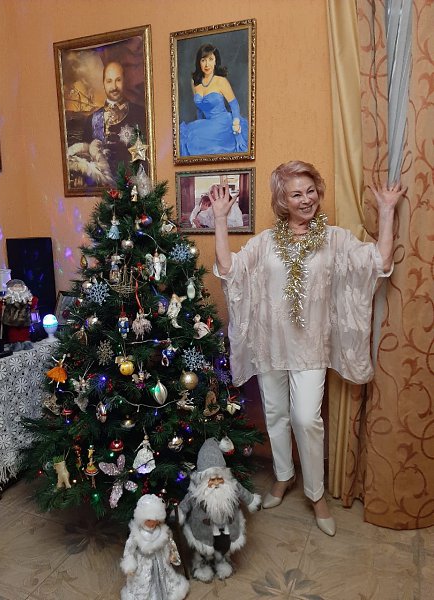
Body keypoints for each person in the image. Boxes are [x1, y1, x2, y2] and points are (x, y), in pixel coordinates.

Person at [210, 160, 406, 537]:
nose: (306, 199)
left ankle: (316, 494)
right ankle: (283, 476)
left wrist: (386, 211)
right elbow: (230, 269)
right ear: (282, 201)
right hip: (269, 344)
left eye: (311, 191)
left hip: (311, 346)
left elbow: (378, 263)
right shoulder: (266, 242)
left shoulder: (335, 239)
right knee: (275, 414)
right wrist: (220, 219)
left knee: (305, 419)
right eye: (296, 194)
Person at [178, 437, 261, 582]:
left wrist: (252, 501)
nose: (216, 483)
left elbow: (244, 493)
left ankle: (222, 561)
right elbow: (185, 503)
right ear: (203, 479)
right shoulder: (195, 491)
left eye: (219, 479)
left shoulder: (232, 485)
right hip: (203, 529)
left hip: (226, 526)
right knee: (203, 547)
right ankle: (201, 564)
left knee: (224, 546)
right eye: (212, 480)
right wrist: (179, 513)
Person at [68, 61, 145, 187]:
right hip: (100, 193)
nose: (114, 86)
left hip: (132, 191)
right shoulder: (91, 119)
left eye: (118, 80)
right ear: (103, 83)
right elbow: (85, 158)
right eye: (109, 81)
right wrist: (80, 175)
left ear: (124, 81)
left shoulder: (140, 113)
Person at [180, 44, 248, 156]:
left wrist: (236, 123)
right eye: (203, 60)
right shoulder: (195, 82)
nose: (207, 64)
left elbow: (234, 104)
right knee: (188, 137)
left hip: (223, 123)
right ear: (199, 62)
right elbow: (199, 109)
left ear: (216, 61)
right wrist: (200, 125)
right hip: (208, 124)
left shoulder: (221, 81)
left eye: (211, 59)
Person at [120, 493, 189, 600]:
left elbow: (169, 542)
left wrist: (171, 554)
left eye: (155, 520)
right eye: (149, 520)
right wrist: (129, 564)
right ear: (142, 518)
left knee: (167, 578)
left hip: (161, 560)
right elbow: (130, 548)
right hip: (144, 562)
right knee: (144, 581)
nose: (152, 523)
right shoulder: (136, 532)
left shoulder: (162, 530)